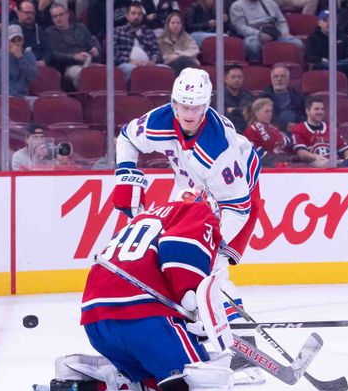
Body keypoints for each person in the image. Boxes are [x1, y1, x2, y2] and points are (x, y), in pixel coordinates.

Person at [74, 186, 236, 391]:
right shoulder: (197, 210)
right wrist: (190, 297)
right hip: (146, 319)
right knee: (199, 380)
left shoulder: (143, 218)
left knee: (148, 376)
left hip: (96, 319)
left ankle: (94, 386)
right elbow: (180, 248)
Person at [114, 68, 261, 306]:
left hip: (236, 196)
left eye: (196, 107)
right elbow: (127, 138)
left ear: (206, 106)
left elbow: (238, 207)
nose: (189, 113)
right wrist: (126, 174)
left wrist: (210, 243)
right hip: (189, 187)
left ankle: (229, 319)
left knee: (210, 261)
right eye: (184, 106)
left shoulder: (218, 148)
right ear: (174, 104)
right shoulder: (159, 120)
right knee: (166, 248)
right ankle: (181, 309)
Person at [46, 2, 101, 89]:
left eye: (61, 15)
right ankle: (87, 99)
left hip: (89, 61)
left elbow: (92, 44)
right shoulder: (50, 32)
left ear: (67, 14)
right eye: (55, 16)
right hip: (69, 66)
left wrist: (95, 49)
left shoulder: (81, 27)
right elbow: (54, 54)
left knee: (109, 71)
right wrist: (73, 56)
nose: (58, 18)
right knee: (83, 74)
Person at [229, 0, 303, 63]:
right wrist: (259, 34)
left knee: (297, 43)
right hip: (255, 36)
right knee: (253, 46)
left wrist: (284, 32)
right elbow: (240, 27)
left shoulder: (270, 2)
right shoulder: (236, 6)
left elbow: (281, 21)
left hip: (275, 34)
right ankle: (258, 68)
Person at [292, 96, 348, 167]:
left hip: (336, 166)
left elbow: (344, 149)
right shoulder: (299, 129)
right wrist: (319, 158)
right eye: (316, 109)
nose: (320, 112)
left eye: (322, 109)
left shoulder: (331, 128)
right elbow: (302, 153)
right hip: (315, 168)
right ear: (307, 111)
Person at [115, 1, 162, 84]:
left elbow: (156, 51)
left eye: (139, 14)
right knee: (132, 70)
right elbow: (114, 54)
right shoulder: (118, 31)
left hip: (149, 65)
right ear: (127, 16)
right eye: (133, 13)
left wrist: (153, 61)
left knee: (166, 69)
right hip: (127, 64)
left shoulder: (148, 32)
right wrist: (130, 61)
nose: (136, 16)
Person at [304, 10, 348, 80]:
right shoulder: (313, 37)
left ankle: (334, 65)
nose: (328, 23)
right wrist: (321, 60)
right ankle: (334, 66)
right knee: (322, 65)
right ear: (319, 23)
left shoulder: (343, 36)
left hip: (341, 65)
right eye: (325, 20)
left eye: (331, 20)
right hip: (323, 65)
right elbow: (308, 56)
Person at [0, 24, 38, 98]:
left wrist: (20, 58)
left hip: (25, 96)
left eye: (19, 39)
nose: (16, 43)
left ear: (23, 40)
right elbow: (0, 86)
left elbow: (32, 77)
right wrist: (18, 98)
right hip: (6, 97)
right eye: (12, 40)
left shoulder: (29, 55)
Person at [243, 97, 293, 165]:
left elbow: (286, 140)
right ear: (256, 112)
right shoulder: (251, 130)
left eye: (271, 111)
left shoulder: (274, 128)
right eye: (266, 111)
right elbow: (253, 152)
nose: (270, 114)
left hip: (282, 162)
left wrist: (283, 142)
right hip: (264, 166)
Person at [260, 64, 306, 132]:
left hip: (297, 129)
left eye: (283, 76)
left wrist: (297, 125)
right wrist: (283, 126)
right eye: (276, 76)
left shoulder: (297, 95)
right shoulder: (263, 97)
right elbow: (262, 117)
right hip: (273, 131)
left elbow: (305, 114)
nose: (279, 79)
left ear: (288, 78)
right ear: (271, 79)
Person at [157, 10, 200, 76]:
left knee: (183, 61)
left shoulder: (187, 38)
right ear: (168, 24)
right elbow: (163, 57)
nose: (175, 25)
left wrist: (179, 54)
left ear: (181, 25)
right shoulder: (161, 40)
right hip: (170, 65)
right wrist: (173, 58)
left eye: (178, 23)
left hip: (188, 64)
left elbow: (194, 50)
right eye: (173, 23)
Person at [16, 1, 50, 66]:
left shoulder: (39, 29)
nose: (30, 15)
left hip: (40, 65)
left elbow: (48, 49)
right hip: (21, 66)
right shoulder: (13, 29)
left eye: (32, 13)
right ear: (19, 13)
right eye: (27, 13)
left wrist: (45, 60)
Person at [224, 64, 254, 133]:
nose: (237, 80)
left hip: (247, 132)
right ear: (226, 79)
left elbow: (249, 114)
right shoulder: (219, 97)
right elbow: (224, 117)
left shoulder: (249, 96)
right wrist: (241, 112)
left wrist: (233, 110)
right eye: (233, 77)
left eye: (239, 77)